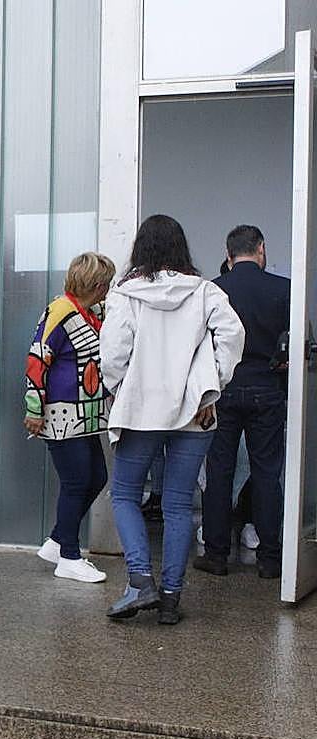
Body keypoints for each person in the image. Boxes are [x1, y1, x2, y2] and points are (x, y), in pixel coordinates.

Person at [100, 215, 244, 625]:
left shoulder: (126, 294)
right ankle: (169, 599)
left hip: (142, 409)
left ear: (140, 249)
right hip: (193, 411)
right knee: (180, 505)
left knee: (126, 495)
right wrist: (212, 384)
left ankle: (140, 580)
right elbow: (233, 336)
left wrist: (119, 388)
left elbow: (112, 353)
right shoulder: (205, 292)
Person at [199, 225, 289, 579]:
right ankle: (270, 558)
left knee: (219, 472)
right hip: (268, 388)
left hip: (224, 388)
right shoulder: (284, 289)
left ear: (228, 253)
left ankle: (217, 554)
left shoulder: (213, 291)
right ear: (261, 249)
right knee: (267, 472)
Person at [24, 252, 114, 584]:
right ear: (98, 284)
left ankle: (59, 539)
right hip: (62, 415)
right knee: (76, 482)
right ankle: (69, 557)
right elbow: (37, 360)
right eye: (107, 283)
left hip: (88, 415)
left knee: (97, 476)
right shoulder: (60, 311)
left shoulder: (94, 312)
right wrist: (34, 409)